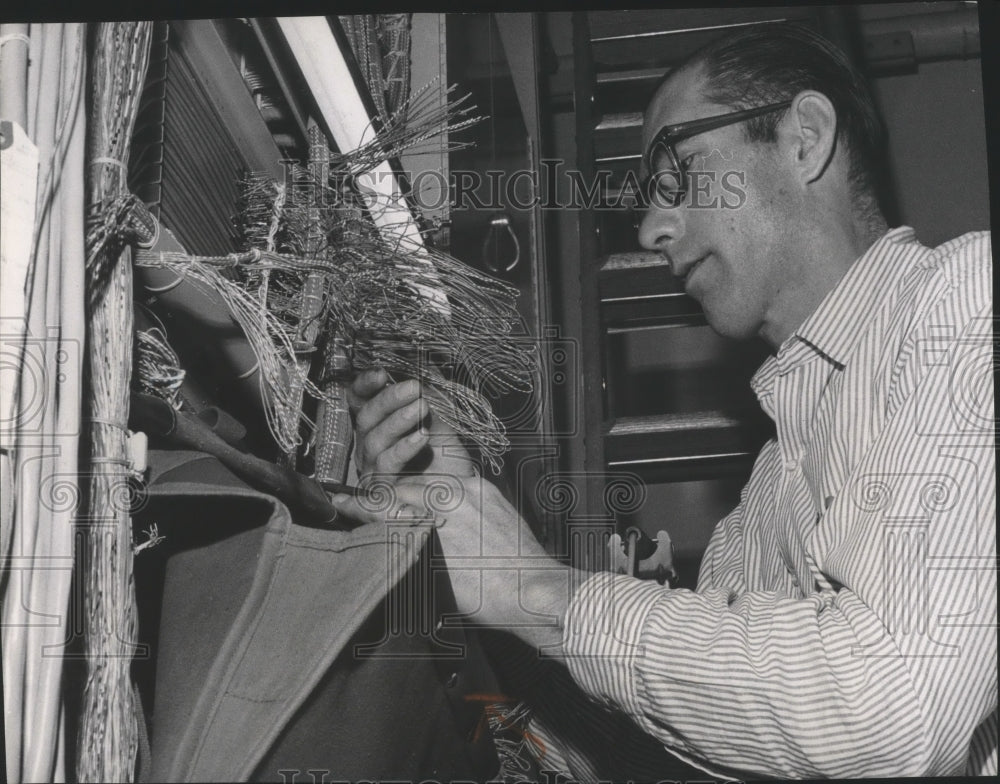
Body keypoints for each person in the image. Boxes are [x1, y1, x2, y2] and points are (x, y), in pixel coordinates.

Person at [330, 22, 996, 779]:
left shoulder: (969, 302)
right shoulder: (759, 512)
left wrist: (535, 588)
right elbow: (664, 761)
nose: (652, 228)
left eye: (678, 173)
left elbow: (892, 708)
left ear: (805, 139)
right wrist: (457, 520)